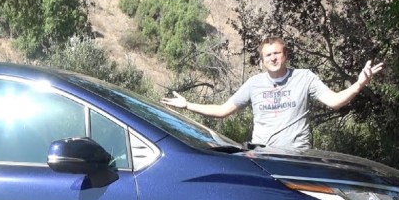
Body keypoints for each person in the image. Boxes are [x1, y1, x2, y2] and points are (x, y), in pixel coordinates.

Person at [161, 36, 384, 150]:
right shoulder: (254, 83)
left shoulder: (304, 77)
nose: (273, 58)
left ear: (285, 55)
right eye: (268, 55)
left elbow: (334, 101)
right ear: (262, 60)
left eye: (277, 53)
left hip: (297, 157)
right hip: (262, 155)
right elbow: (222, 110)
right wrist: (187, 105)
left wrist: (359, 84)